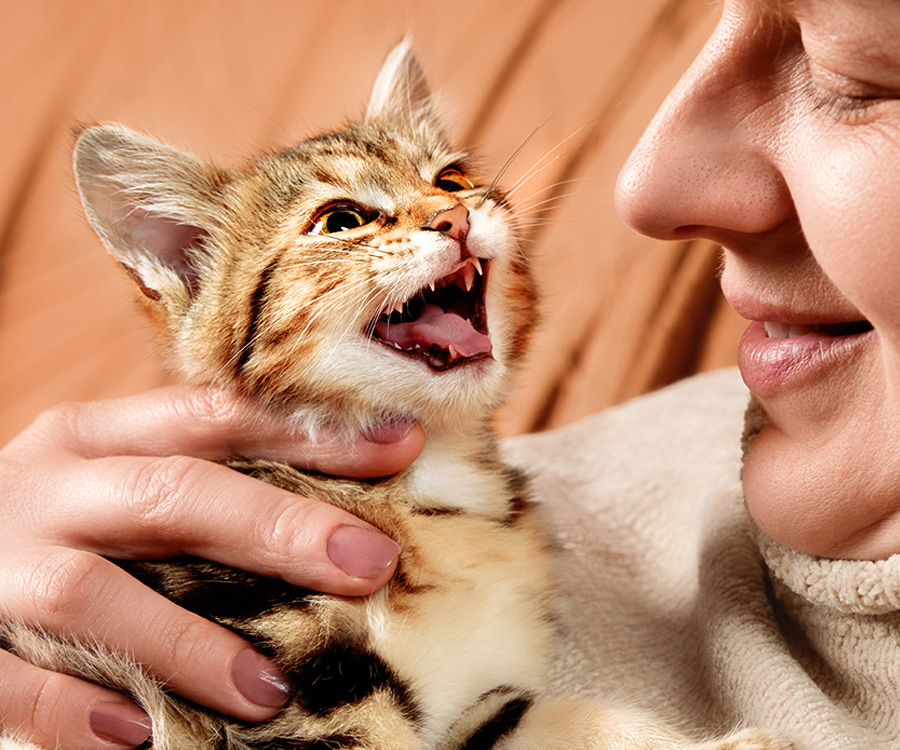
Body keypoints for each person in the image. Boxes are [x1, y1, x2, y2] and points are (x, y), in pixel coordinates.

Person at [3, 0, 899, 747]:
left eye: (856, 78)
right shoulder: (230, 531)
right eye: (344, 220)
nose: (449, 212)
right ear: (193, 271)